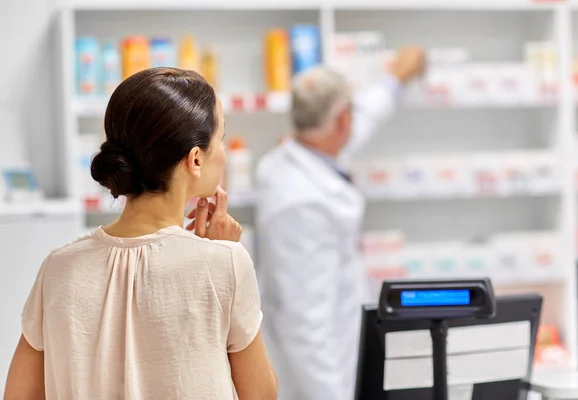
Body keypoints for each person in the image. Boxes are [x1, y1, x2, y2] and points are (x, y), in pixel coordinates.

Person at [4, 68, 277, 400]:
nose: (222, 151)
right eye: (220, 138)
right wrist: (217, 253)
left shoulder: (58, 268)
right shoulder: (226, 263)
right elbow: (261, 394)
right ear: (195, 160)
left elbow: (19, 394)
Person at [255, 47, 425, 400]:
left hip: (340, 344)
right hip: (317, 376)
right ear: (341, 121)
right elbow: (305, 325)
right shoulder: (299, 203)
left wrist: (395, 80)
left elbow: (364, 117)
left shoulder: (308, 153)